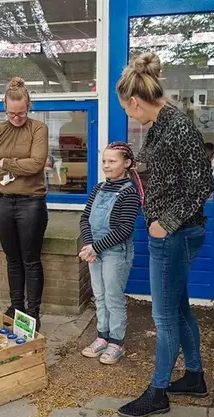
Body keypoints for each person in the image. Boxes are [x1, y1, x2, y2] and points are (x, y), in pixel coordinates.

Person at [114, 53, 214, 417]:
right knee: (179, 307)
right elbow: (166, 170)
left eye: (127, 109)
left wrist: (166, 222)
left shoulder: (178, 125)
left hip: (175, 235)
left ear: (136, 101)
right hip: (169, 232)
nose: (129, 115)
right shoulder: (160, 125)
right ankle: (194, 378)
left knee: (164, 316)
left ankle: (157, 392)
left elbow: (203, 182)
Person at [0, 77, 49, 330]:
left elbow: (37, 164)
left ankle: (32, 312)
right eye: (11, 114)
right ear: (4, 108)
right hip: (3, 202)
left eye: (21, 113)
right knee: (12, 259)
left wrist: (5, 163)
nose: (17, 118)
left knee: (31, 259)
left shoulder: (38, 129)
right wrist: (14, 165)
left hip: (31, 202)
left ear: (29, 106)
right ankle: (16, 306)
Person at [79, 142, 143, 364]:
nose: (106, 165)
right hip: (94, 252)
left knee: (114, 298)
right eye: (104, 161)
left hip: (115, 253)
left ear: (126, 163)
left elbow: (124, 229)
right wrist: (89, 245)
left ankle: (117, 342)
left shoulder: (130, 193)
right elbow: (85, 219)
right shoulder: (98, 189)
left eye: (112, 161)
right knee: (99, 296)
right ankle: (102, 337)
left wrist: (95, 247)